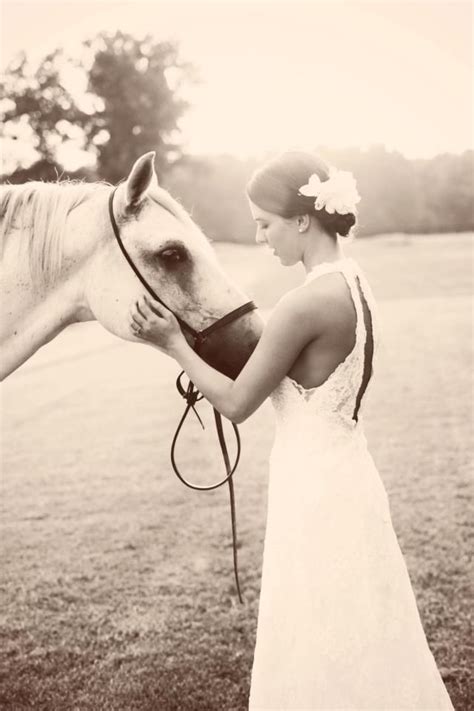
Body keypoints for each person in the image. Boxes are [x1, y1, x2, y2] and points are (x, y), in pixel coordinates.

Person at [129, 151, 454, 710]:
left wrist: (172, 344)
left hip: (315, 490)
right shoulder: (354, 283)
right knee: (360, 621)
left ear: (302, 220)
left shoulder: (304, 304)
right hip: (347, 471)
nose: (261, 238)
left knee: (316, 624)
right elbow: (293, 371)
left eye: (265, 225)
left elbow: (235, 403)